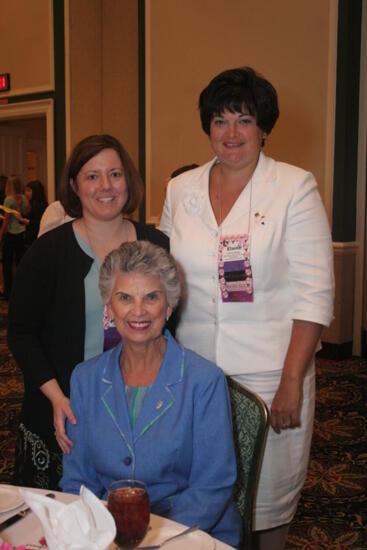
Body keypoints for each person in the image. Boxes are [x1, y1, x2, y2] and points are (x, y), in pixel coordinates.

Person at [159, 67, 334, 550]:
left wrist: (292, 381)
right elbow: (164, 282)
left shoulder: (293, 187)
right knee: (198, 502)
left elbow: (315, 293)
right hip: (194, 374)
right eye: (219, 121)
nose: (231, 133)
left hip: (270, 375)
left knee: (266, 506)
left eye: (243, 119)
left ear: (264, 128)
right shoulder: (181, 190)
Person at [7, 134, 169, 490]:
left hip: (138, 412)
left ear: (129, 179)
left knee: (134, 525)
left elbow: (172, 328)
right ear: (74, 187)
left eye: (114, 174)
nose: (105, 186)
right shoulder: (48, 252)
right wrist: (55, 396)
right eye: (92, 176)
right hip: (63, 410)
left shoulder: (157, 245)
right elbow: (21, 332)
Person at [60, 240, 241, 548]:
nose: (138, 311)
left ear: (169, 306)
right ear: (109, 306)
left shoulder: (204, 381)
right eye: (125, 298)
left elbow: (212, 486)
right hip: (111, 533)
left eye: (152, 297)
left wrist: (153, 540)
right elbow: (78, 480)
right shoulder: (85, 379)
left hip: (190, 531)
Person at [0, 175, 27, 299]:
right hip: (22, 234)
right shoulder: (24, 198)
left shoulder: (8, 200)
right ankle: (21, 291)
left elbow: (6, 221)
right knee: (21, 263)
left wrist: (0, 234)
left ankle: (8, 292)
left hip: (11, 234)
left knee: (7, 264)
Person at [22, 180, 48, 246]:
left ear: (35, 192)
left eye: (28, 190)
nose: (25, 193)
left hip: (36, 240)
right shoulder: (33, 204)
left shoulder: (39, 206)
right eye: (25, 191)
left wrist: (28, 222)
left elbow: (39, 223)